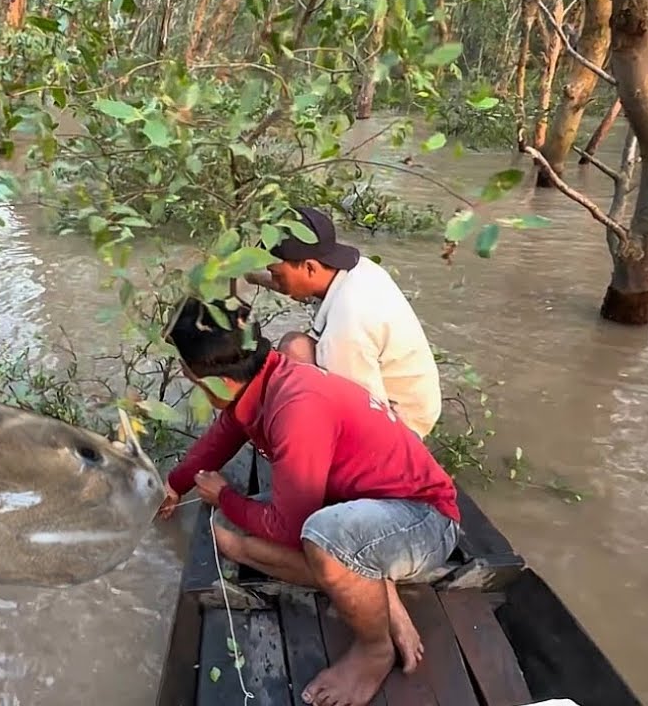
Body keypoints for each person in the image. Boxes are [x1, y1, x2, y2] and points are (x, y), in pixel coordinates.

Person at [156, 296, 461, 706]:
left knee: (317, 536)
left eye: (189, 375)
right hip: (359, 507)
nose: (186, 378)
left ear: (219, 381)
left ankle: (375, 648)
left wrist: (226, 494)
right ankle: (376, 586)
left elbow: (290, 527)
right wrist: (176, 485)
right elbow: (224, 434)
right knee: (224, 532)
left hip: (423, 520)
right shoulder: (265, 379)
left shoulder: (297, 406)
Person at [244, 206, 442, 439]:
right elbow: (296, 286)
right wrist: (247, 275)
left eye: (277, 274)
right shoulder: (357, 269)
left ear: (310, 267)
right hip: (419, 403)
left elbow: (364, 412)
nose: (276, 279)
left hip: (400, 426)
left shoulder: (346, 330)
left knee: (293, 353)